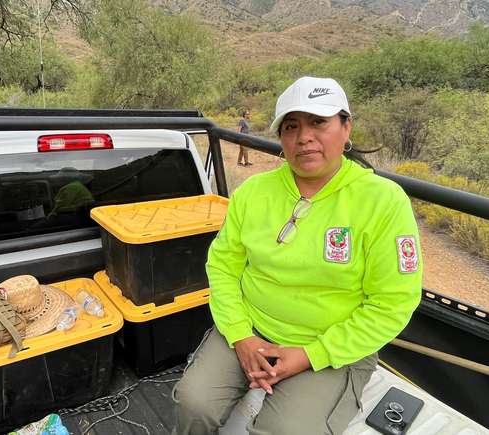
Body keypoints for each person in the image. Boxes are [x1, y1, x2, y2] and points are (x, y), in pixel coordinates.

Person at [173, 77, 423, 435]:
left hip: (330, 345)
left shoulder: (383, 201)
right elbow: (223, 266)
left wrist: (309, 355)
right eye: (291, 126)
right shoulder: (254, 192)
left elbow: (393, 302)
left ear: (346, 127)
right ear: (280, 137)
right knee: (193, 402)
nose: (304, 137)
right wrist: (242, 337)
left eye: (318, 122)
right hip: (251, 327)